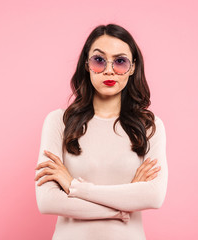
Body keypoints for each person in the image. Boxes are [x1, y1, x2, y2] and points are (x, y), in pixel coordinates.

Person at [34, 23, 168, 240]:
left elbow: (153, 196)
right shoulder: (59, 121)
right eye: (99, 60)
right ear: (87, 65)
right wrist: (122, 207)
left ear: (133, 67)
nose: (109, 69)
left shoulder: (149, 126)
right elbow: (47, 201)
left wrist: (73, 186)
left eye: (120, 61)